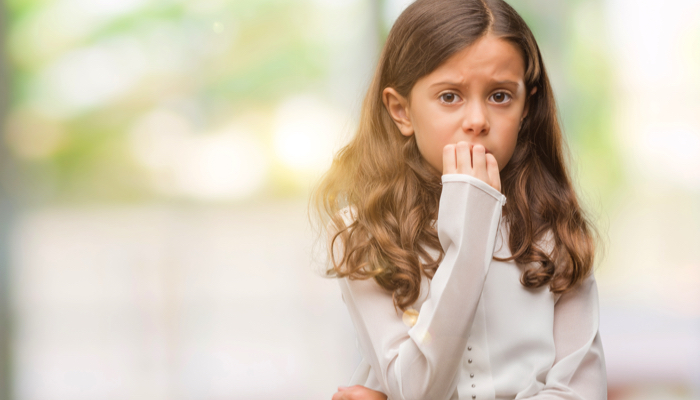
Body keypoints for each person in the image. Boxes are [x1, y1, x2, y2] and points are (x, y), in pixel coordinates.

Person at [309, 0, 607, 399]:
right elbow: (415, 388)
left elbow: (579, 392)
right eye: (450, 97)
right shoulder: (360, 233)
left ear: (526, 107)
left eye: (500, 96)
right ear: (401, 111)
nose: (478, 120)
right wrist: (469, 233)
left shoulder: (557, 230)